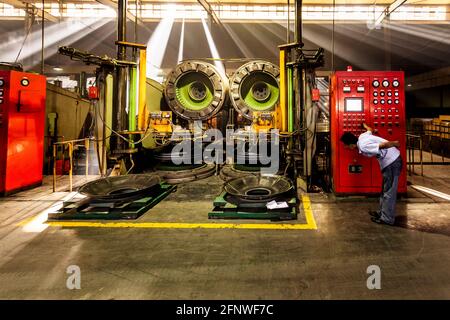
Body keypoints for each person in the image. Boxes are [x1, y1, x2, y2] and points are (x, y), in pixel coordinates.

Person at [340, 123, 402, 226]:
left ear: (351, 144)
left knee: (389, 192)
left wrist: (394, 143)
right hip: (389, 163)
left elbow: (382, 145)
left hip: (392, 162)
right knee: (384, 190)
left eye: (346, 146)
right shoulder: (362, 137)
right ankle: (382, 213)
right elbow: (370, 130)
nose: (346, 148)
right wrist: (364, 125)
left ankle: (387, 219)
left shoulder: (363, 146)